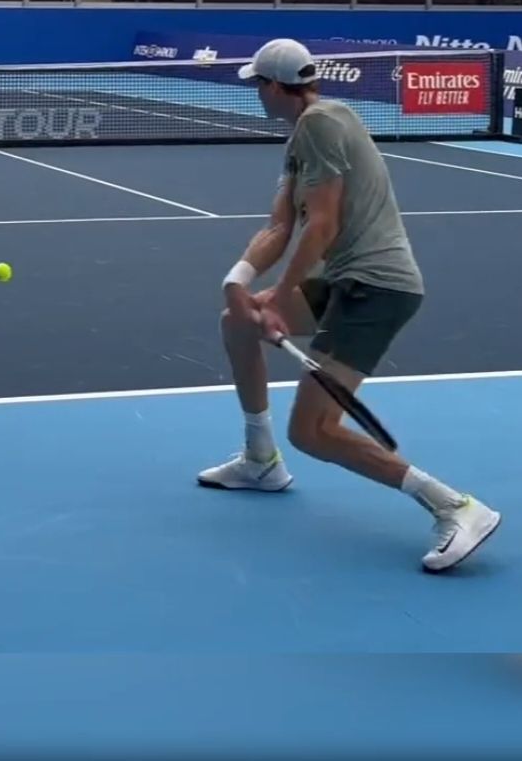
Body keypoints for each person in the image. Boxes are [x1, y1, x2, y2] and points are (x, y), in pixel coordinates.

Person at [198, 38, 501, 574]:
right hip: (345, 281)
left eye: (257, 85)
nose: (256, 94)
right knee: (237, 322)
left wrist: (282, 294)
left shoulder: (322, 124)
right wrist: (241, 281)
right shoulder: (301, 137)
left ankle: (455, 507)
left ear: (273, 86)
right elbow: (280, 226)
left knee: (313, 431)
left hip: (376, 289)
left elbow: (324, 224)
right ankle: (260, 461)